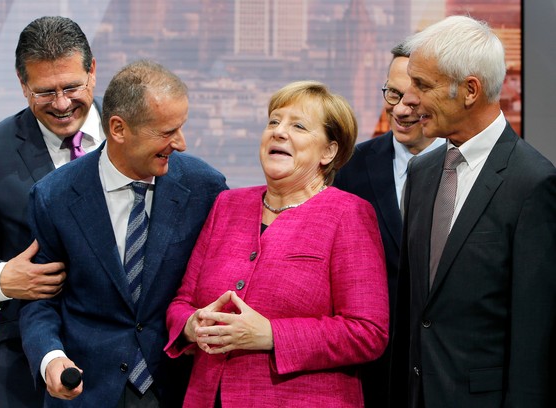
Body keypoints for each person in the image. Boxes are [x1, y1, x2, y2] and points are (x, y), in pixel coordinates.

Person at [165, 80, 389, 407]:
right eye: (273, 121)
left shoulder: (349, 214)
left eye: (297, 126)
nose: (279, 132)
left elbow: (367, 332)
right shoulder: (227, 205)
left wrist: (271, 335)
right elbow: (181, 303)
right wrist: (192, 324)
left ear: (329, 151)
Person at [19, 60, 227, 407]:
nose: (181, 143)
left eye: (181, 127)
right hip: (87, 391)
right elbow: (40, 298)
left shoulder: (205, 187)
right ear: (118, 128)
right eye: (166, 132)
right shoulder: (53, 196)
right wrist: (51, 358)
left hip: (175, 387)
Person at [390, 15, 556, 408]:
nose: (409, 99)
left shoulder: (532, 182)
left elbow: (534, 337)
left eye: (423, 85)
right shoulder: (422, 172)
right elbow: (412, 312)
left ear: (469, 90)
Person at [0, 16, 104, 407]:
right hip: (26, 376)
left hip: (129, 373)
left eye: (71, 87)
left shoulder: (132, 133)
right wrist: (0, 279)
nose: (62, 104)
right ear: (22, 84)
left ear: (92, 70)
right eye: (45, 92)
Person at [333, 42, 444, 408]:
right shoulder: (349, 168)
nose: (399, 109)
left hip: (446, 372)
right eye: (392, 93)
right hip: (368, 375)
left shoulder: (471, 172)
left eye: (412, 100)